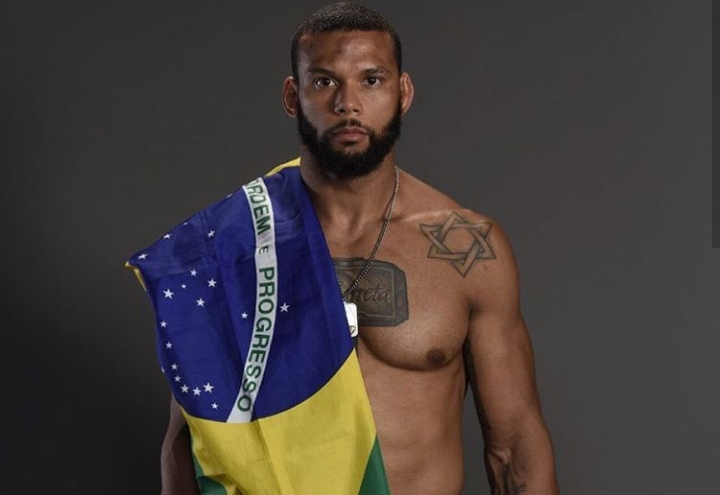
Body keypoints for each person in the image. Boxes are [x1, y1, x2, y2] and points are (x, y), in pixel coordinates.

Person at [132, 3, 560, 495]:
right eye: (324, 81)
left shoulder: (466, 251)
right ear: (293, 96)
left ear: (403, 93)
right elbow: (190, 439)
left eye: (371, 80)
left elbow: (515, 447)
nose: (348, 103)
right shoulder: (232, 247)